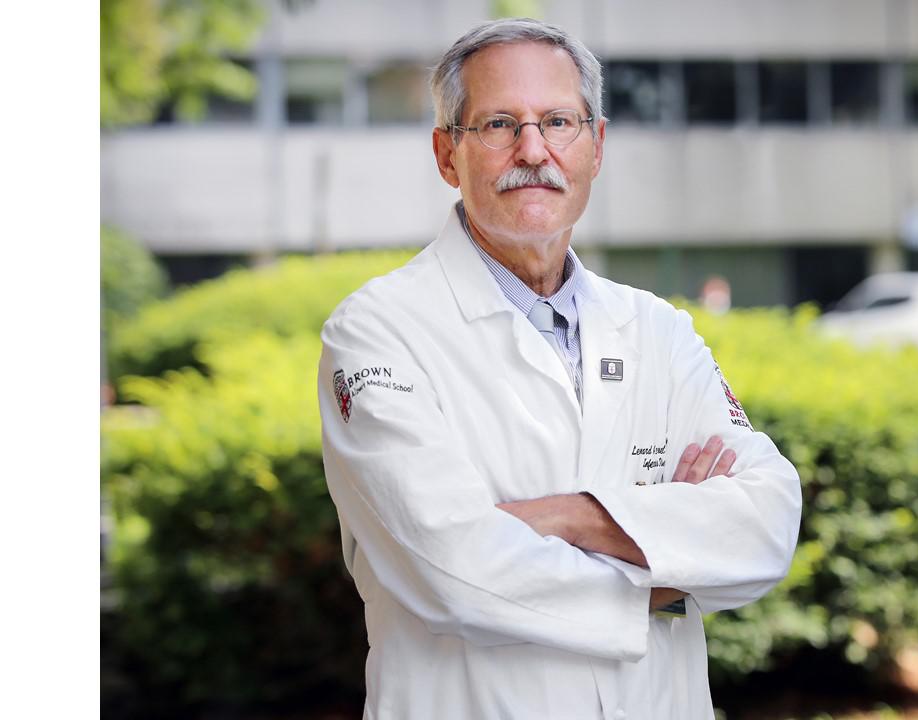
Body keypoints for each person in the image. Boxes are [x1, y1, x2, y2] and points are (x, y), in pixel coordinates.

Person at [317, 18, 801, 719]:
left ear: (596, 146)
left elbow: (766, 523)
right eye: (499, 123)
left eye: (558, 121)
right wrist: (665, 570)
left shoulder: (659, 331)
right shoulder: (377, 334)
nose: (533, 149)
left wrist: (571, 520)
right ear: (446, 154)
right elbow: (453, 570)